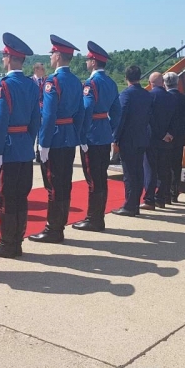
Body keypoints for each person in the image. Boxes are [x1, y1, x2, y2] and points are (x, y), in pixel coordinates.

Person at [0, 33, 40, 258]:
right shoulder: (31, 84)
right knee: (21, 196)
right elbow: (36, 119)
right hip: (24, 147)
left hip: (7, 147)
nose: (2, 59)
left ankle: (7, 244)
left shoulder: (2, 85)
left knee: (6, 196)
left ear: (9, 58)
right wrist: (28, 140)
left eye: (4, 56)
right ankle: (17, 241)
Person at [30, 35, 85, 244]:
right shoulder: (76, 81)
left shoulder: (52, 81)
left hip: (54, 138)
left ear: (59, 56)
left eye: (52, 53)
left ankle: (53, 228)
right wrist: (75, 134)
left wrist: (43, 143)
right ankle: (59, 225)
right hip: (69, 137)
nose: (50, 57)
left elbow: (49, 115)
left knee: (53, 185)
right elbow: (80, 112)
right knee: (64, 183)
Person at [74, 41, 120, 231]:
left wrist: (82, 136)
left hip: (92, 135)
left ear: (93, 62)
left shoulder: (91, 83)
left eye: (88, 60)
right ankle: (97, 216)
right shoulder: (111, 82)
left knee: (93, 179)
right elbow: (117, 112)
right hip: (104, 134)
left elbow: (86, 110)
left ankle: (93, 219)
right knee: (101, 177)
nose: (86, 62)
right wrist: (109, 128)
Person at [111, 65, 153, 217]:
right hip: (142, 138)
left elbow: (121, 118)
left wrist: (115, 138)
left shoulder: (126, 94)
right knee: (138, 172)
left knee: (129, 174)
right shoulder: (147, 94)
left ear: (126, 78)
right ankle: (135, 204)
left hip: (128, 139)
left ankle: (129, 205)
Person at [142, 72, 177, 210]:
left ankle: (149, 199)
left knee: (150, 169)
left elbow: (149, 118)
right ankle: (161, 199)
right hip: (167, 139)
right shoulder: (172, 97)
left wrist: (161, 134)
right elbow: (176, 118)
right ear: (162, 82)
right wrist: (170, 134)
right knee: (164, 170)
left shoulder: (149, 96)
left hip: (152, 139)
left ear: (150, 83)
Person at [163, 71, 185, 202]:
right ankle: (174, 193)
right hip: (180, 138)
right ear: (178, 83)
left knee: (165, 166)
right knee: (176, 166)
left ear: (165, 84)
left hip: (165, 138)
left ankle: (166, 193)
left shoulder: (164, 98)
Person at [31, 62, 46, 163]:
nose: (44, 71)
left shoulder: (46, 81)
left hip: (43, 110)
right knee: (32, 132)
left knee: (41, 132)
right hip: (32, 110)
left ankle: (39, 153)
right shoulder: (30, 81)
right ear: (36, 70)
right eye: (42, 69)